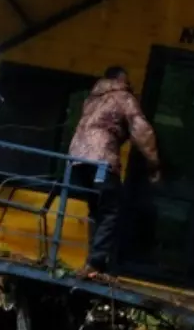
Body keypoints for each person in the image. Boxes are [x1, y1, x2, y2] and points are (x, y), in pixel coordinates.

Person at [67, 66, 161, 279]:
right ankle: (96, 263)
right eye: (126, 80)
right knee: (111, 210)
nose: (128, 84)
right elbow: (142, 132)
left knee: (96, 209)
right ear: (120, 79)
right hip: (100, 161)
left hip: (77, 160)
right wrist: (153, 163)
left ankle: (94, 262)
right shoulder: (123, 97)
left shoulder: (92, 98)